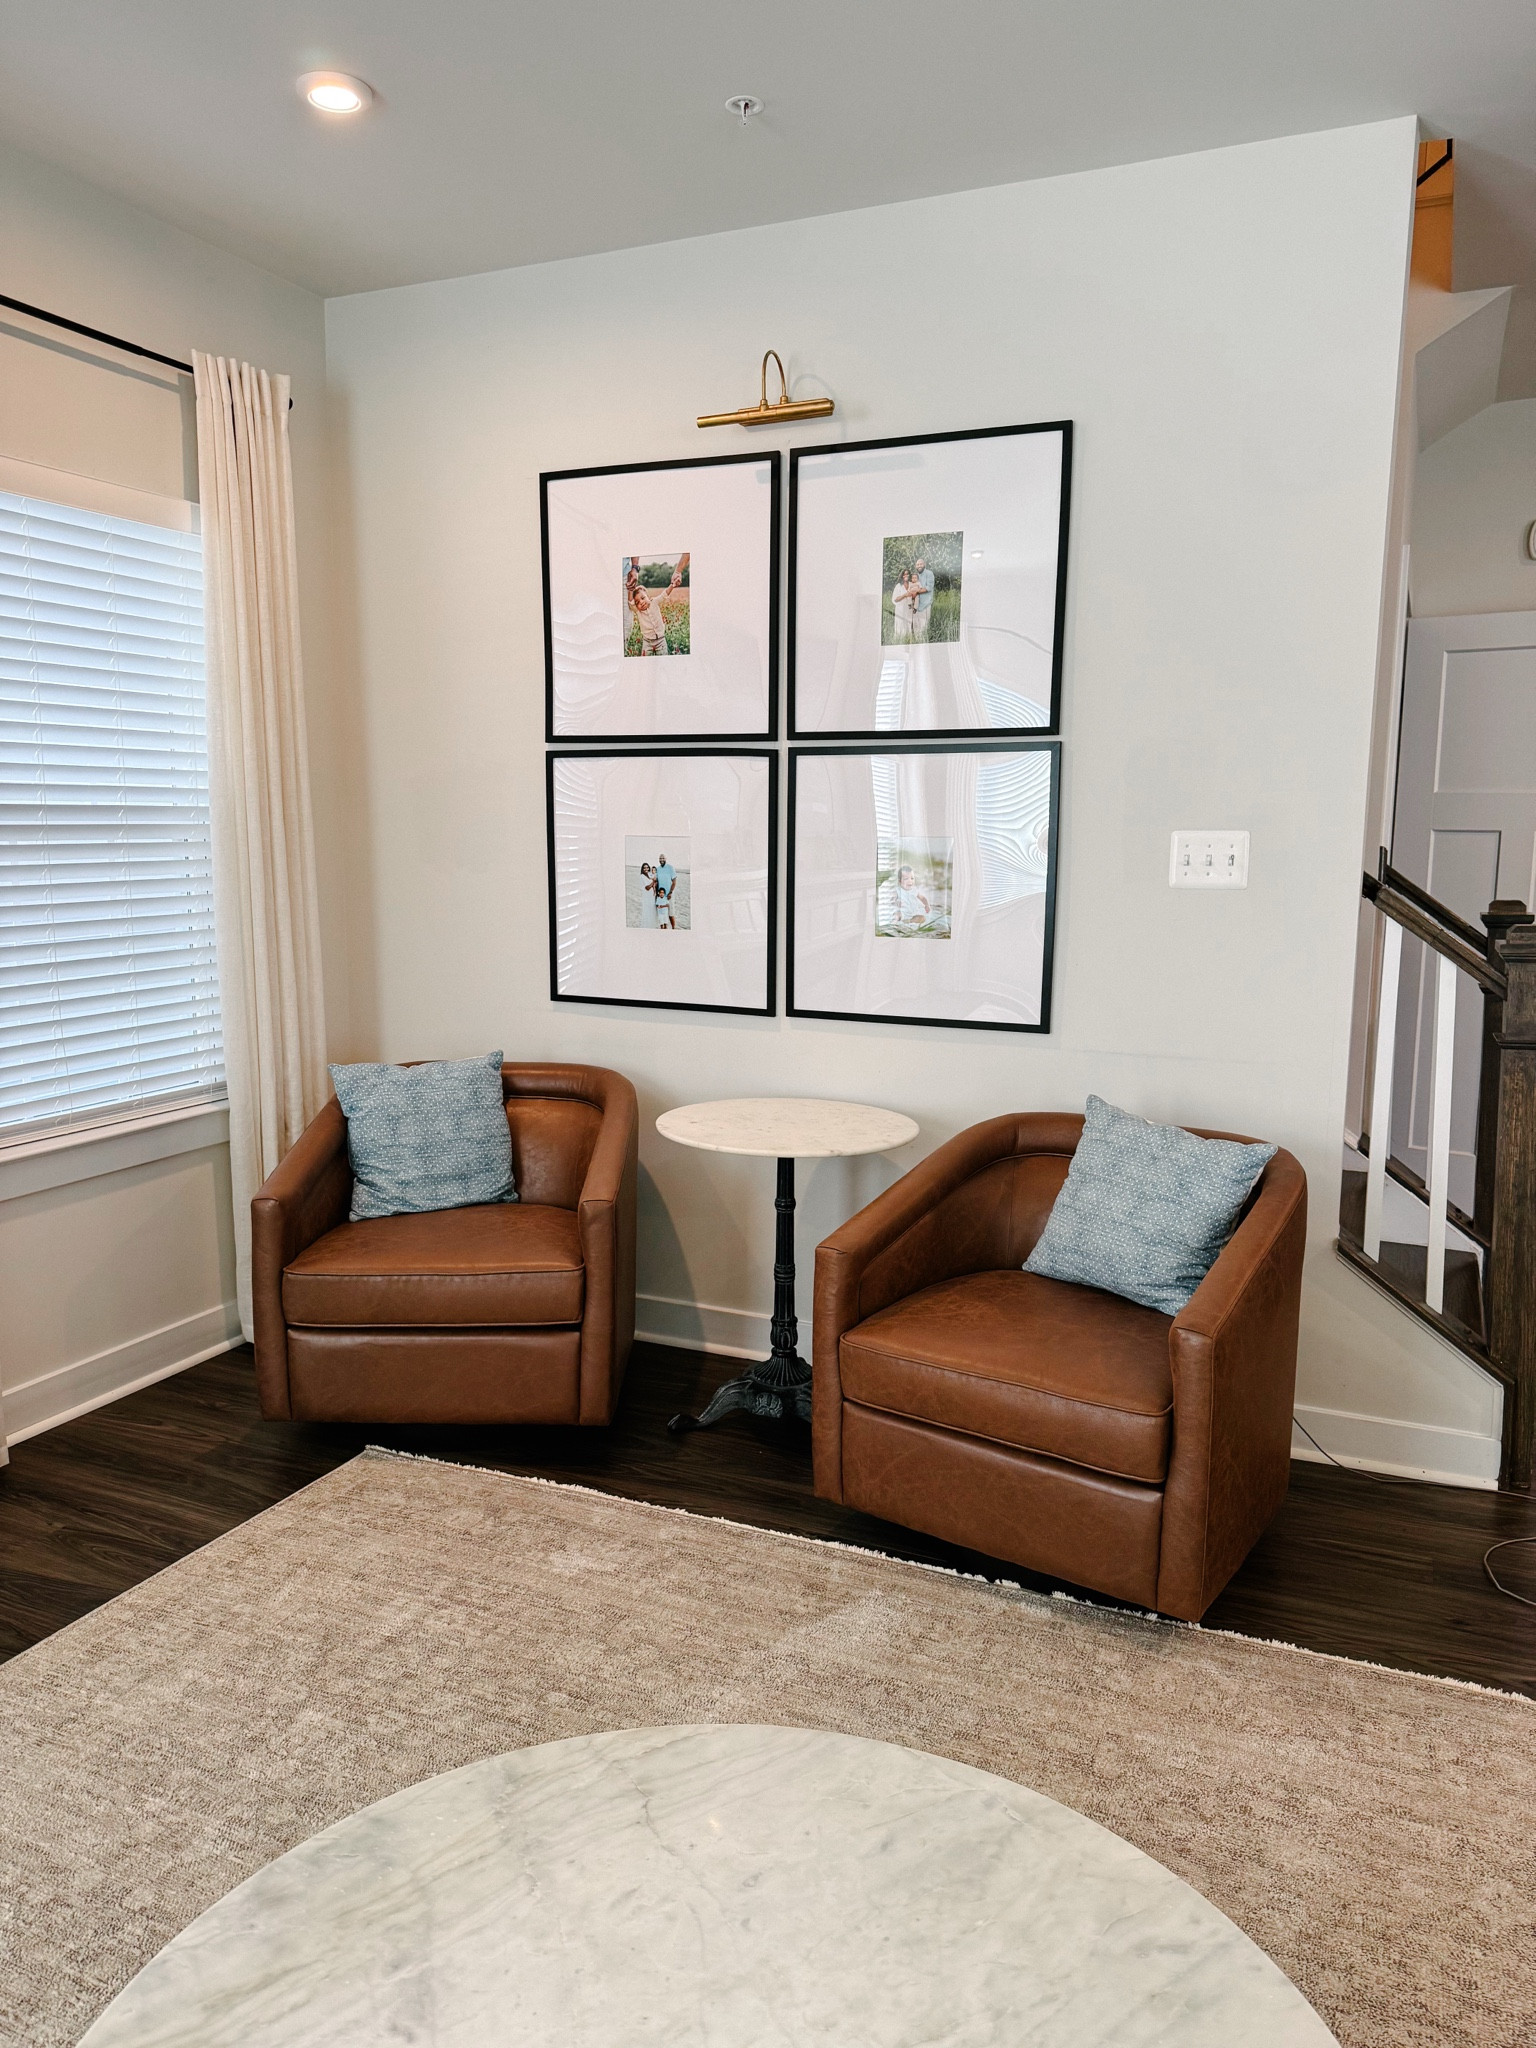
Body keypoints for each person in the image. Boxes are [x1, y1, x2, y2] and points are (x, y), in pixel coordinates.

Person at [629, 579, 668, 656]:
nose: (641, 602)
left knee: (663, 659)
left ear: (648, 596)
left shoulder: (654, 602)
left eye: (643, 598)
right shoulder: (638, 612)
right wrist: (631, 586)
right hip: (647, 642)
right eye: (638, 602)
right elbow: (630, 601)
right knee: (645, 661)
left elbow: (664, 595)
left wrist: (672, 585)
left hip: (661, 640)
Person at [892, 863, 930, 931]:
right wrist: (897, 902)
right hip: (903, 913)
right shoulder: (898, 890)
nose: (910, 881)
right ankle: (893, 925)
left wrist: (927, 905)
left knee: (922, 918)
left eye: (912, 878)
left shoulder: (914, 890)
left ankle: (910, 921)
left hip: (913, 914)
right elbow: (892, 900)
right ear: (900, 881)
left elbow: (923, 898)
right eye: (906, 879)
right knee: (897, 915)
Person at [909, 556, 936, 641]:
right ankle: (917, 645)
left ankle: (923, 646)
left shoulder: (929, 573)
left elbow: (929, 587)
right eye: (917, 564)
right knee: (916, 626)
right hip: (916, 606)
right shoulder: (915, 576)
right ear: (915, 566)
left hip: (925, 605)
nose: (919, 565)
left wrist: (917, 591)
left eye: (921, 564)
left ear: (924, 565)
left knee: (924, 627)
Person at [890, 567, 917, 643]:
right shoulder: (899, 586)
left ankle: (908, 644)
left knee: (909, 628)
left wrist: (913, 604)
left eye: (908, 574)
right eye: (904, 574)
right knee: (900, 628)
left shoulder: (912, 586)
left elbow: (914, 598)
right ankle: (899, 644)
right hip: (900, 610)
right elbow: (895, 599)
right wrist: (905, 595)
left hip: (908, 610)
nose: (906, 576)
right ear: (902, 576)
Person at [655, 853, 677, 928]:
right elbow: (656, 881)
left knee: (671, 913)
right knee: (662, 914)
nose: (661, 860)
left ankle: (674, 928)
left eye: (663, 858)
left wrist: (670, 893)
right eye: (660, 858)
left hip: (669, 895)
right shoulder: (658, 869)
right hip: (661, 895)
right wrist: (656, 894)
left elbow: (674, 882)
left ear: (666, 859)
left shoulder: (670, 868)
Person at [636, 862, 659, 928]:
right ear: (642, 869)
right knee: (647, 911)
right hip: (647, 897)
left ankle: (652, 925)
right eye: (644, 868)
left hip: (651, 896)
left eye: (647, 867)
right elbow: (647, 887)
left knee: (652, 910)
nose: (646, 869)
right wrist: (653, 882)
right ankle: (647, 926)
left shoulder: (648, 875)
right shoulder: (642, 876)